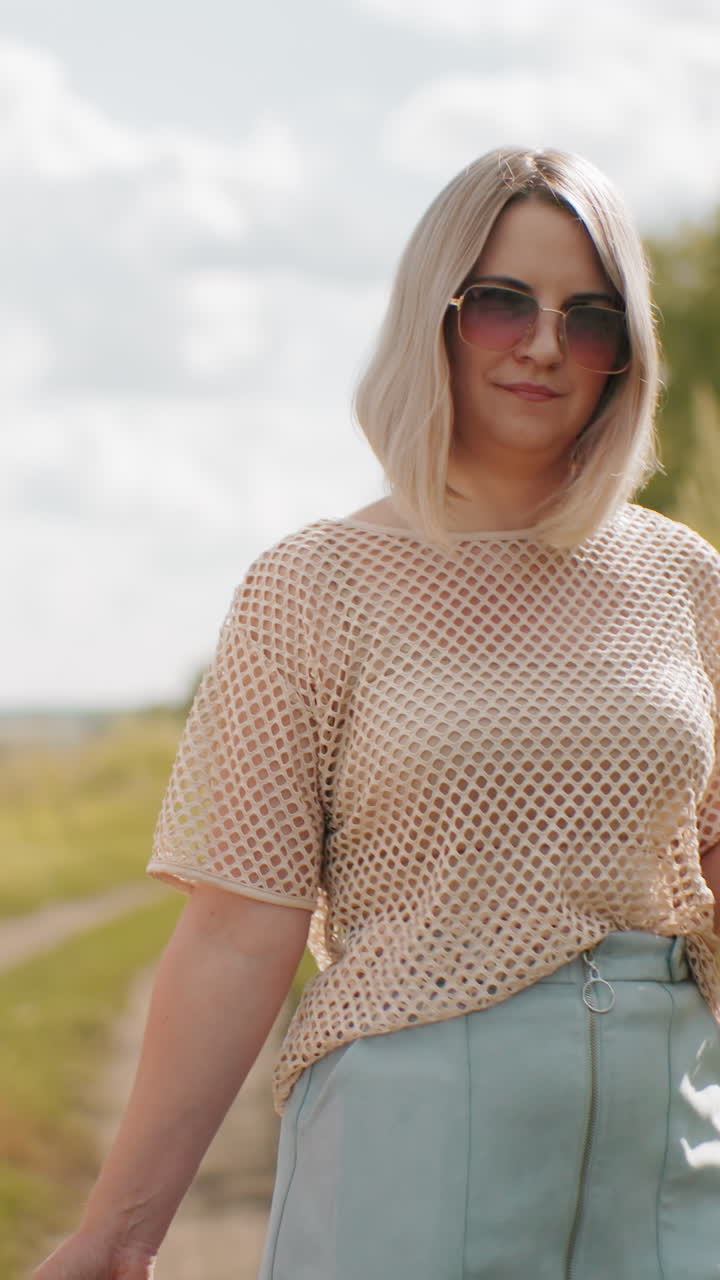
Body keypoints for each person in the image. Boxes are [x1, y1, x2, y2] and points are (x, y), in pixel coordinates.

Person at [33, 147, 720, 1280]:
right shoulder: (312, 587)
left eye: (589, 317)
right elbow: (239, 928)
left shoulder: (687, 580)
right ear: (434, 318)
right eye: (504, 303)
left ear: (626, 357)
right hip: (412, 1153)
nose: (545, 343)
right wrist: (120, 1230)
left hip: (670, 1157)